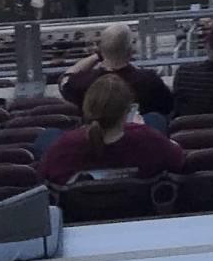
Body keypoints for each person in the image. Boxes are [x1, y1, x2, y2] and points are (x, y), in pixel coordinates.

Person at [38, 73, 185, 184]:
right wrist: (143, 130)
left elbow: (44, 176)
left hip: (78, 220)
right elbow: (178, 160)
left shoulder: (63, 148)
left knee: (48, 135)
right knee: (155, 119)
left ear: (86, 108)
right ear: (127, 112)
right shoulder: (150, 141)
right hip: (139, 215)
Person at [59, 22, 175, 124]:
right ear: (130, 51)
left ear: (101, 49)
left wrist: (97, 56)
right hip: (138, 139)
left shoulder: (83, 82)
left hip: (95, 141)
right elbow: (168, 107)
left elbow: (66, 78)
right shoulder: (149, 79)